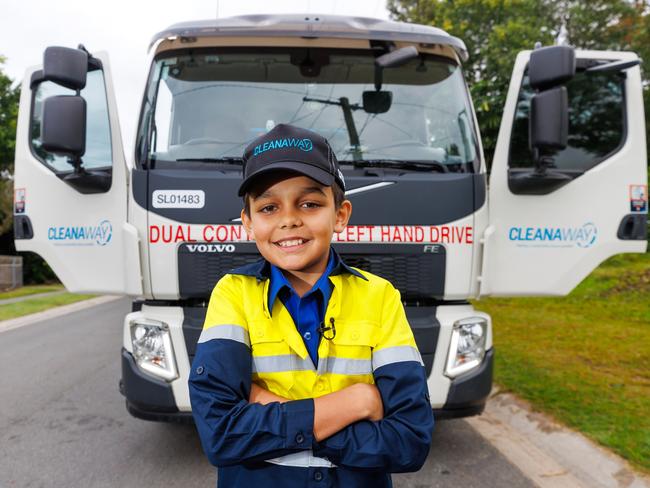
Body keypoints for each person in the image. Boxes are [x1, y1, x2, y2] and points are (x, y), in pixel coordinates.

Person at [189, 123, 434, 487]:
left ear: (340, 214)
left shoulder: (379, 296)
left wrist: (276, 416)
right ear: (248, 223)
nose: (289, 219)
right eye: (269, 206)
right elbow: (221, 434)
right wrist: (353, 404)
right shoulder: (233, 293)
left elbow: (409, 441)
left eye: (309, 203)